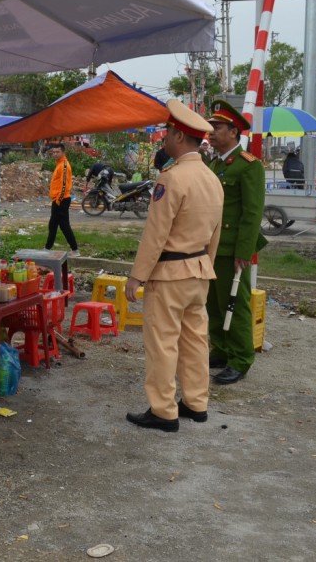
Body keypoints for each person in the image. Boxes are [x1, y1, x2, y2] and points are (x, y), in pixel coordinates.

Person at [125, 100, 224, 432]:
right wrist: (206, 266)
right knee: (195, 341)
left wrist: (136, 277)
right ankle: (196, 403)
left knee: (163, 341)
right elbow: (215, 233)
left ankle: (163, 410)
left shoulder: (171, 178)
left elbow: (155, 235)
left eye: (168, 132)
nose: (164, 137)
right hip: (199, 271)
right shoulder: (212, 179)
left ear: (180, 136)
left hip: (169, 274)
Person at [205, 100, 268, 386]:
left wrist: (244, 251)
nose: (211, 132)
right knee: (213, 303)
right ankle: (221, 348)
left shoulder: (248, 166)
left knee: (235, 303)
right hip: (212, 245)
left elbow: (252, 213)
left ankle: (241, 359)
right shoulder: (215, 162)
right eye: (211, 127)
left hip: (232, 248)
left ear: (234, 131)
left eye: (217, 127)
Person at [44, 143, 80, 257]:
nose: (55, 154)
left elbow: (64, 185)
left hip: (62, 200)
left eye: (57, 152)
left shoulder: (64, 165)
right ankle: (47, 248)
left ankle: (75, 250)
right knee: (53, 224)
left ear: (63, 152)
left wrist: (58, 200)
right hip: (58, 199)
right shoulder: (59, 164)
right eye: (53, 152)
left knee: (64, 225)